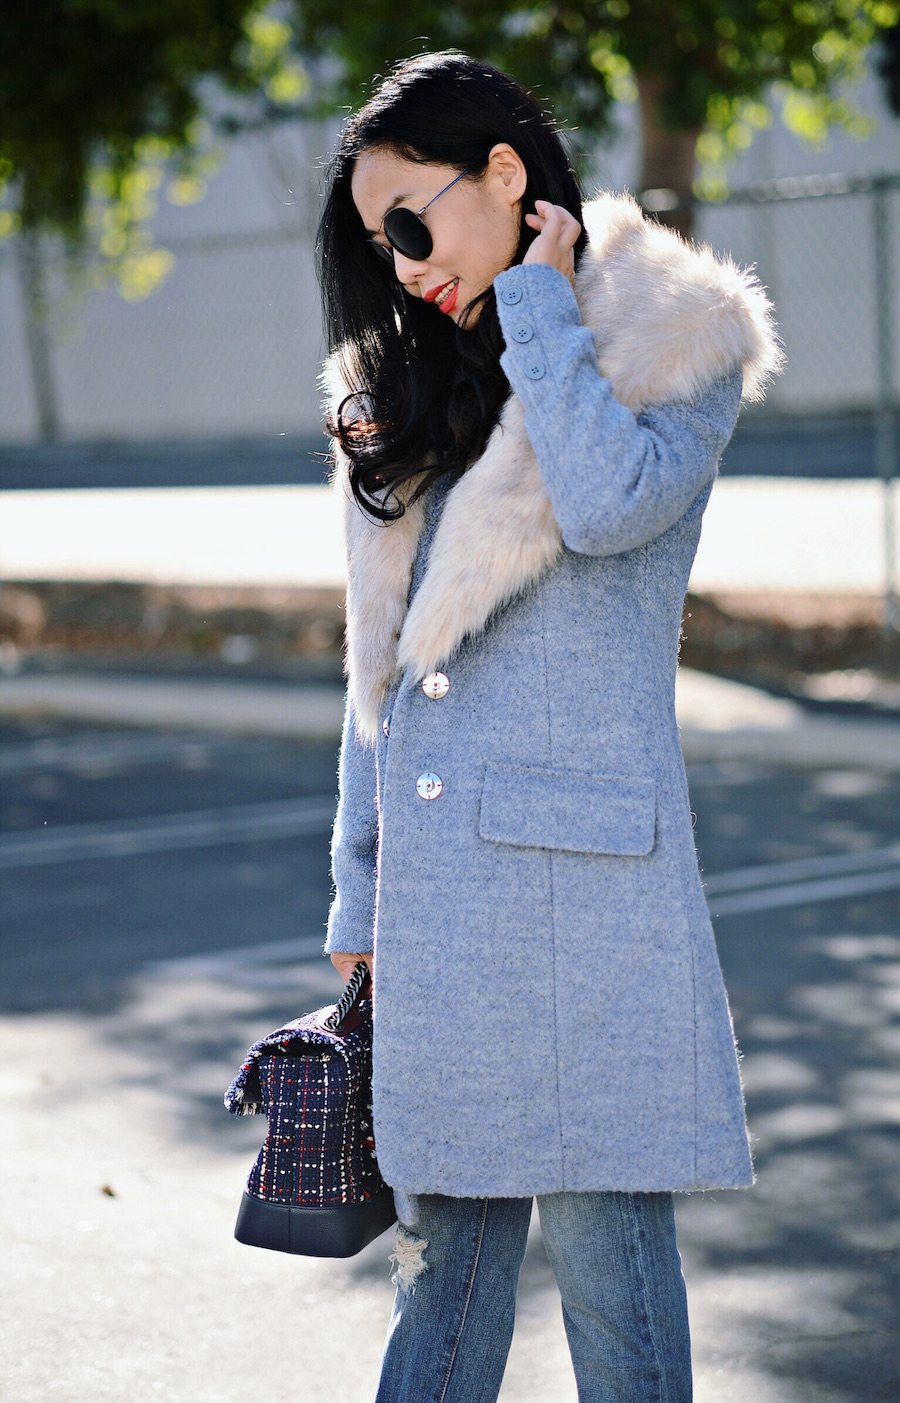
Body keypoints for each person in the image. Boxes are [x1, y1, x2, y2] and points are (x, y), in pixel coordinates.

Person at [315, 49, 784, 1403]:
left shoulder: (670, 335)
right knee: (445, 1288)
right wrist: (358, 884)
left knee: (615, 1287)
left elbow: (610, 505)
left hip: (588, 908)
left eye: (414, 222)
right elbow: (381, 672)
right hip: (441, 904)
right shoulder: (408, 385)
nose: (401, 265)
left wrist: (536, 303)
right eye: (376, 243)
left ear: (506, 175)